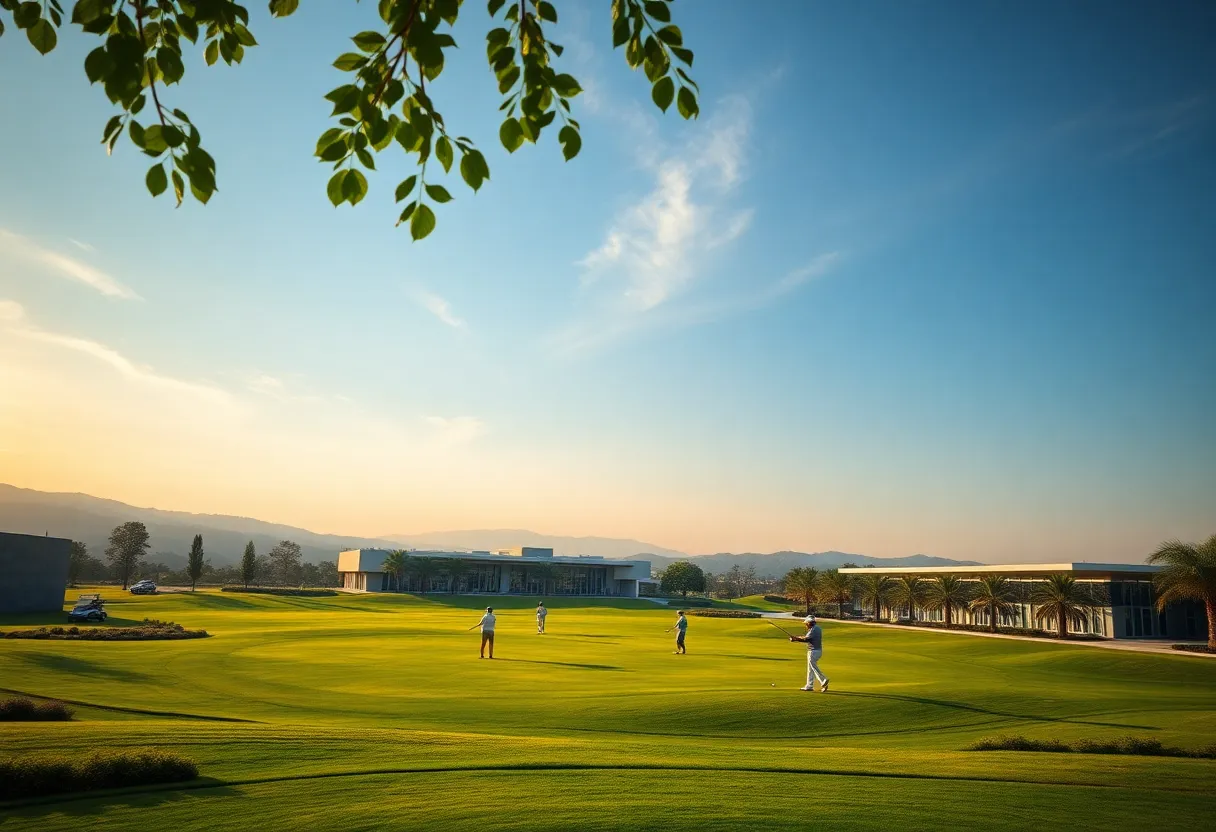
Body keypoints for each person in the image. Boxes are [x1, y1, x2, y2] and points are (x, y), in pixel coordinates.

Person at [789, 614, 829, 691]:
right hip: (818, 651)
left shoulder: (813, 630)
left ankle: (823, 679)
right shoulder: (817, 628)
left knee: (813, 667)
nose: (805, 625)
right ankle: (809, 686)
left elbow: (806, 639)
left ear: (809, 623)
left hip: (813, 651)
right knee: (810, 669)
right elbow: (806, 637)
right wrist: (796, 638)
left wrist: (795, 639)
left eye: (806, 623)